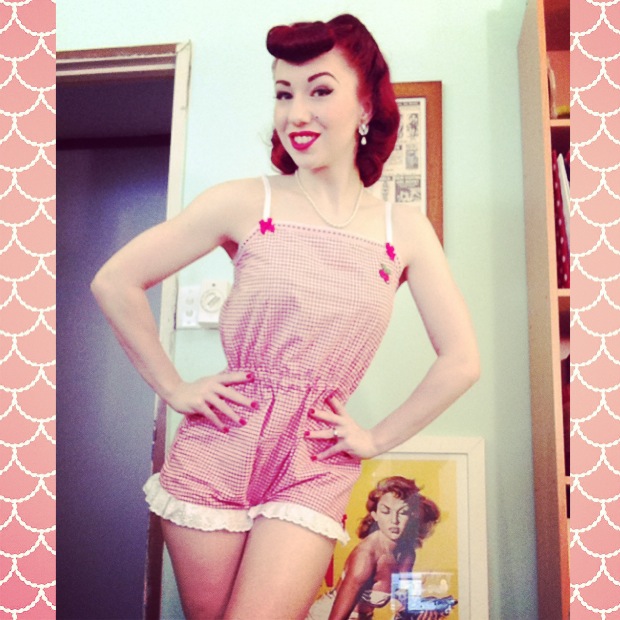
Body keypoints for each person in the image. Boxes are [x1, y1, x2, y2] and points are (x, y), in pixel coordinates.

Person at [91, 13, 479, 620]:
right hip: (220, 443)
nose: (297, 113)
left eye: (319, 91)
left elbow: (461, 360)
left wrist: (375, 438)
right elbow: (115, 280)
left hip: (314, 458)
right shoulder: (245, 201)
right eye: (283, 93)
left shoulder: (403, 230)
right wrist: (175, 387)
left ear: (366, 105)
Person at [307, 476, 450, 620]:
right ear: (375, 515)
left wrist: (428, 606)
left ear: (412, 516)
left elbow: (406, 602)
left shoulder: (407, 552)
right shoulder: (366, 557)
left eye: (403, 512)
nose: (394, 520)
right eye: (386, 512)